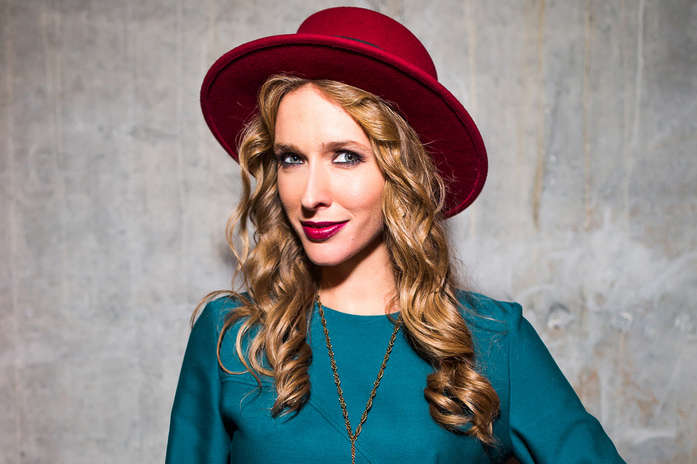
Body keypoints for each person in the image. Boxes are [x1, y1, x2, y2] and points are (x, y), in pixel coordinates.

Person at [165, 6, 625, 463]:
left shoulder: (494, 340)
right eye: (292, 159)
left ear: (404, 173)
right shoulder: (232, 337)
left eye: (345, 157)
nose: (310, 195)